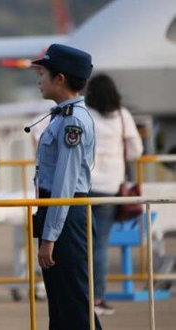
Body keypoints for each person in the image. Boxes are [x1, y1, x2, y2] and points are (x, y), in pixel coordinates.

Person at [31, 43, 102, 329]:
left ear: (60, 79)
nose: (39, 79)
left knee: (73, 304)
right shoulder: (63, 116)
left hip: (65, 215)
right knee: (61, 305)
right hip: (59, 214)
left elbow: (65, 184)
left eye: (43, 73)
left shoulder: (73, 122)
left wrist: (50, 237)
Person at [85, 74, 143, 315]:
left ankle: (79, 294)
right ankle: (97, 298)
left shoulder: (85, 113)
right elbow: (135, 151)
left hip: (84, 186)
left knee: (81, 243)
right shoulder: (121, 115)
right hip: (110, 188)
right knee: (99, 246)